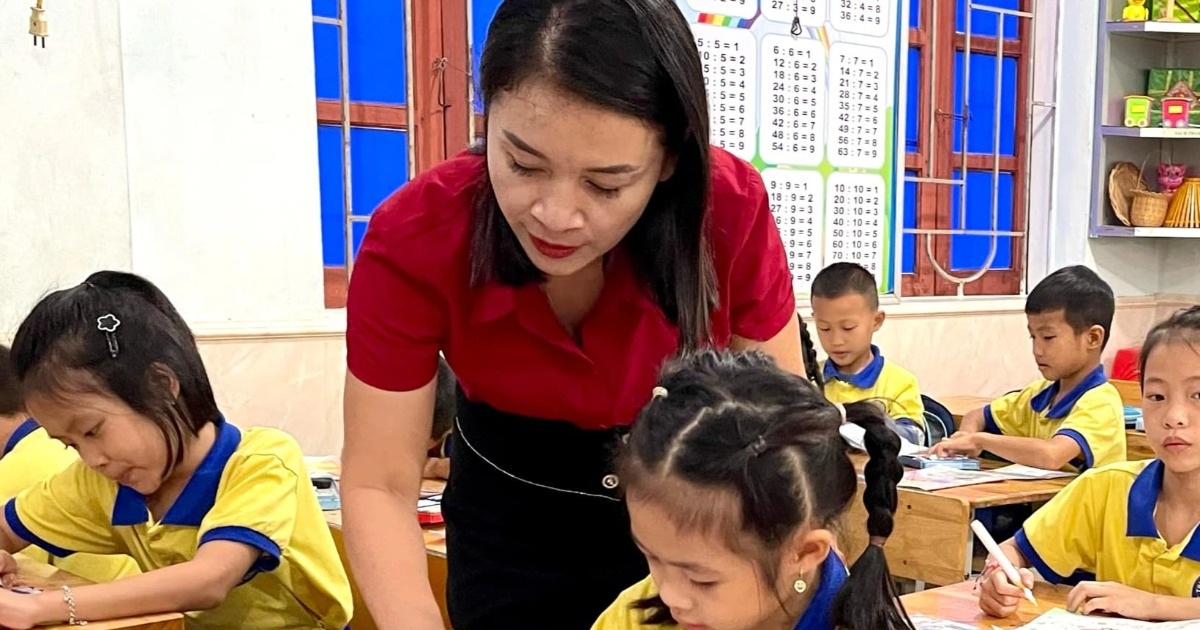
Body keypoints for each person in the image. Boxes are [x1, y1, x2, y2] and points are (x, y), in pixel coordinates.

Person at [339, 0, 803, 626]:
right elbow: (380, 483)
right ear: (488, 117)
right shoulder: (416, 235)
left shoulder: (727, 209)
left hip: (690, 519)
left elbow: (781, 448)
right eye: (523, 164)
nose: (556, 215)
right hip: (509, 517)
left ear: (669, 160)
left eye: (606, 184)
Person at [0, 271, 352, 630]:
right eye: (71, 445)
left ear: (160, 386)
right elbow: (7, 529)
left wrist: (45, 606)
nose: (92, 459)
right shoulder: (99, 482)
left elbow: (208, 579)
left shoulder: (261, 462)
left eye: (93, 431)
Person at [592, 348, 915, 630]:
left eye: (702, 580)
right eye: (651, 557)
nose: (669, 595)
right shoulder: (636, 616)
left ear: (803, 553)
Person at [977, 306, 1200, 622]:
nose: (1174, 416)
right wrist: (999, 576)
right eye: (1156, 397)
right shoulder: (1106, 488)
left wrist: (1154, 605)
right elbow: (1016, 550)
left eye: (1198, 394)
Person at [930, 266, 1125, 472]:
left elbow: (1052, 455)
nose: (1037, 350)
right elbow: (976, 416)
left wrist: (979, 441)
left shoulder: (1102, 402)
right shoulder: (1039, 395)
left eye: (1048, 337)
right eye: (1033, 337)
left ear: (1092, 338)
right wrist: (966, 436)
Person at [0, 344, 139, 584]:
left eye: (93, 431)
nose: (93, 460)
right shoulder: (50, 449)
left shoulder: (17, 469)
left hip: (115, 614)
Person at [810, 262, 925, 446]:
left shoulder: (900, 383)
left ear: (877, 321)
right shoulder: (811, 381)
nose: (836, 340)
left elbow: (913, 439)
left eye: (848, 328)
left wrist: (863, 420)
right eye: (824, 328)